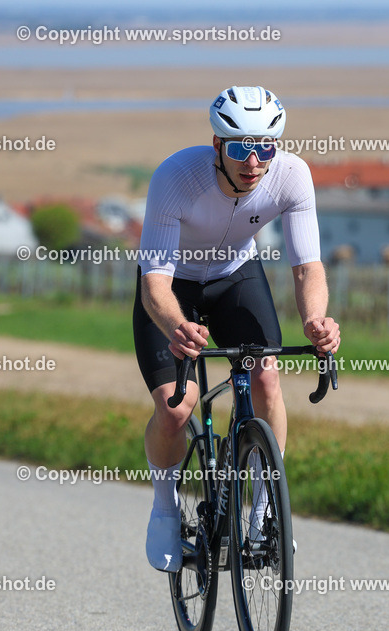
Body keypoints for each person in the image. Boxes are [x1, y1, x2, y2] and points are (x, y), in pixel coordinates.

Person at [133, 85, 341, 572]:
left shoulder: (291, 176)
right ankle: (165, 506)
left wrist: (315, 320)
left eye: (265, 147)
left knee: (266, 376)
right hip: (172, 286)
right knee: (176, 407)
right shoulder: (176, 177)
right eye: (242, 148)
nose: (254, 161)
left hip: (234, 277)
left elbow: (307, 268)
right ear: (217, 145)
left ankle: (266, 509)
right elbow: (154, 285)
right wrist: (176, 325)